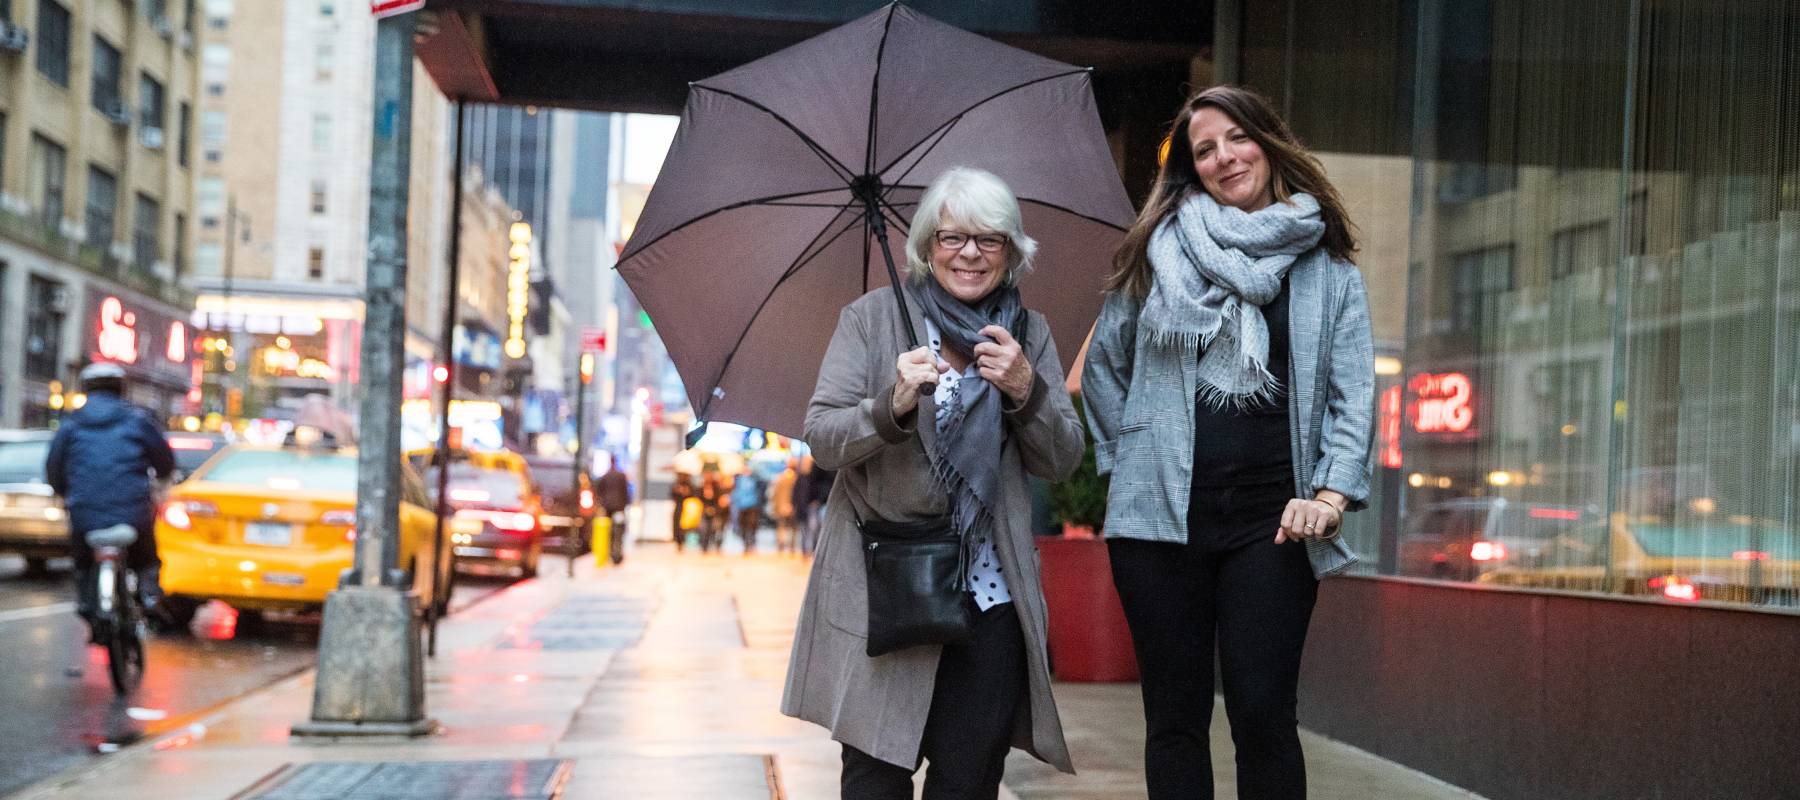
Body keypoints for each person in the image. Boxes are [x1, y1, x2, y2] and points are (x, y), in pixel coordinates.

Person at [1080, 85, 1375, 800]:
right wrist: (1133, 466)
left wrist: (1329, 495)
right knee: (1174, 720)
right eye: (1204, 149)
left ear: (1269, 144)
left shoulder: (1328, 273)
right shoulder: (1155, 254)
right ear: (1191, 168)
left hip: (1271, 528)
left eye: (1236, 138)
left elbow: (1352, 395)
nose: (1223, 157)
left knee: (1263, 715)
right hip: (1158, 526)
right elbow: (1103, 370)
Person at [782, 166, 1086, 799]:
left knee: (969, 783)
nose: (970, 253)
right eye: (952, 238)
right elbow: (823, 437)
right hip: (887, 589)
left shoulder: (1027, 336)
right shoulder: (871, 321)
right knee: (875, 782)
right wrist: (890, 405)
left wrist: (1026, 391)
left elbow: (1063, 459)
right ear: (926, 246)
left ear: (1011, 253)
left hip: (987, 599)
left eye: (989, 239)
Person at [44, 362, 179, 638]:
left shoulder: (71, 425)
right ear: (121, 388)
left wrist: (63, 494)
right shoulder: (138, 421)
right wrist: (161, 482)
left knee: (82, 560)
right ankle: (149, 595)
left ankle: (85, 602)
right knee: (146, 557)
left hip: (84, 513)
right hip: (133, 512)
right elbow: (164, 462)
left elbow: (54, 468)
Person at [596, 453, 632, 564]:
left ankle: (610, 552)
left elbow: (599, 492)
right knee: (618, 531)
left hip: (607, 507)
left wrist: (601, 504)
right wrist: (626, 504)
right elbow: (626, 492)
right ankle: (617, 554)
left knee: (609, 531)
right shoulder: (621, 476)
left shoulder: (605, 476)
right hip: (619, 507)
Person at [768, 459, 799, 554]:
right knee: (793, 527)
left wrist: (775, 506)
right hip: (793, 507)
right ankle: (791, 547)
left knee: (782, 526)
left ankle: (781, 545)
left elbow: (774, 494)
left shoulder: (780, 478)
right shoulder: (797, 478)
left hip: (781, 506)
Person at [729, 468, 763, 553]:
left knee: (751, 525)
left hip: (752, 506)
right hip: (741, 506)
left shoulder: (754, 479)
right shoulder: (738, 480)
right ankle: (746, 543)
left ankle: (751, 543)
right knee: (743, 526)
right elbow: (734, 492)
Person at [698, 471, 728, 553]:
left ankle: (717, 545)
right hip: (704, 511)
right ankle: (704, 546)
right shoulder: (701, 487)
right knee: (704, 529)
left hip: (716, 512)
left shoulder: (718, 488)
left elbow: (722, 500)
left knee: (716, 529)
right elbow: (698, 498)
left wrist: (716, 507)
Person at [669, 473, 696, 552]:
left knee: (684, 526)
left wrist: (686, 492)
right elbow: (672, 495)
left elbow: (694, 495)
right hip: (678, 506)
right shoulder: (676, 484)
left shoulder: (690, 485)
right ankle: (678, 541)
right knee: (676, 524)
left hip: (688, 508)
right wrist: (677, 491)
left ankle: (683, 541)